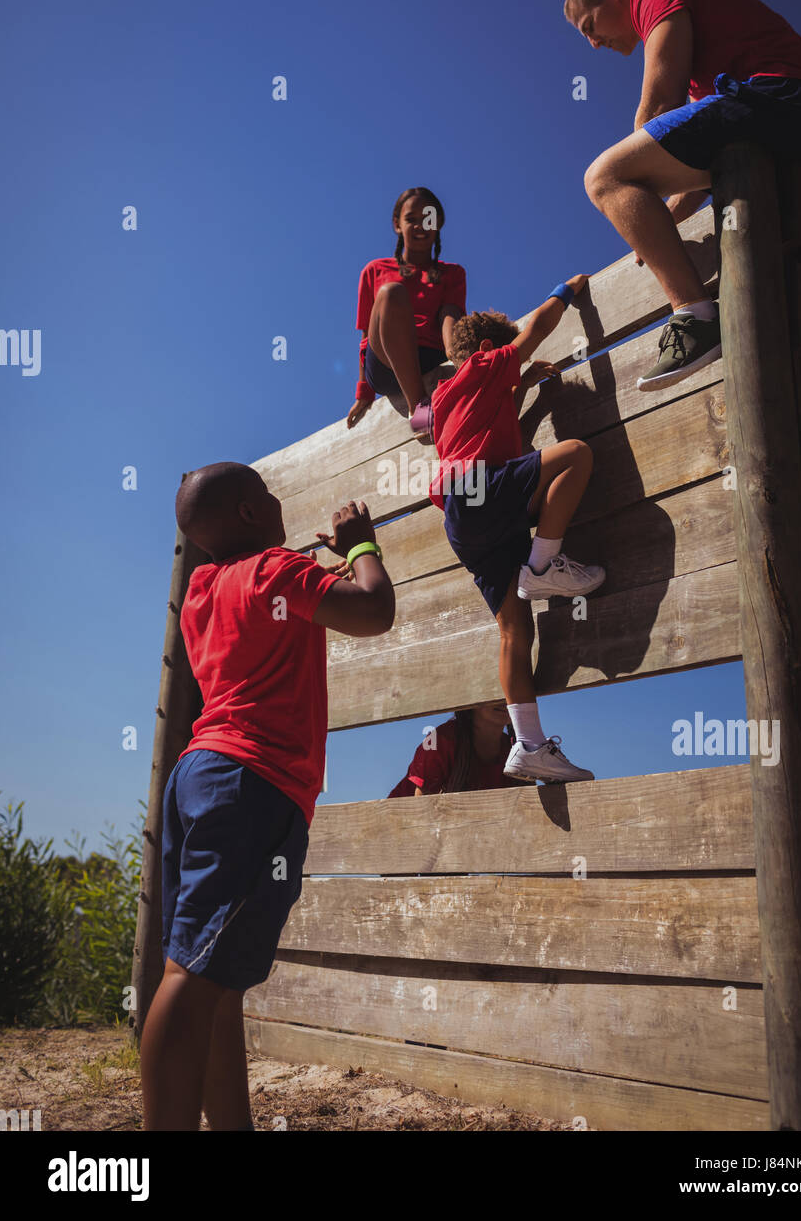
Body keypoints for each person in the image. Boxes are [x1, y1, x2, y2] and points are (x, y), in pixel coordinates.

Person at [140, 463, 395, 1131]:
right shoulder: (278, 572)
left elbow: (272, 614)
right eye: (269, 494)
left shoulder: (202, 588)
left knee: (211, 981)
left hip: (197, 777)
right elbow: (374, 612)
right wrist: (363, 545)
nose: (281, 501)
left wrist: (316, 572)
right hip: (252, 784)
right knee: (192, 983)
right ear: (252, 514)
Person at [563, 0, 801, 391]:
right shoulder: (712, 69)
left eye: (588, 25)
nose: (593, 43)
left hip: (778, 100)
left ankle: (695, 316)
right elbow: (697, 153)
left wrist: (634, 186)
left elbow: (661, 105)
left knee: (604, 177)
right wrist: (661, 224)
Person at [428, 278, 605, 785]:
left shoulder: (447, 402)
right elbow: (537, 328)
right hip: (480, 491)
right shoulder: (483, 364)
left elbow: (506, 446)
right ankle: (544, 563)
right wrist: (566, 292)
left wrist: (524, 390)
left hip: (467, 518)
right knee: (576, 454)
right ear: (486, 351)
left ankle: (528, 747)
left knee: (515, 630)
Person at [346, 187, 467, 437]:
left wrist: (457, 356)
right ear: (397, 225)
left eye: (428, 219)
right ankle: (418, 406)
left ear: (439, 224)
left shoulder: (453, 273)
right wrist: (364, 393)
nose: (420, 226)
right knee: (391, 293)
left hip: (430, 356)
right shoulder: (374, 270)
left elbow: (450, 316)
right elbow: (367, 335)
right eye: (411, 219)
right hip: (385, 364)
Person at [388, 700, 527, 796]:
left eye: (509, 689)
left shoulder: (516, 749)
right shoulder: (440, 739)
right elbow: (421, 811)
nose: (502, 698)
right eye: (493, 687)